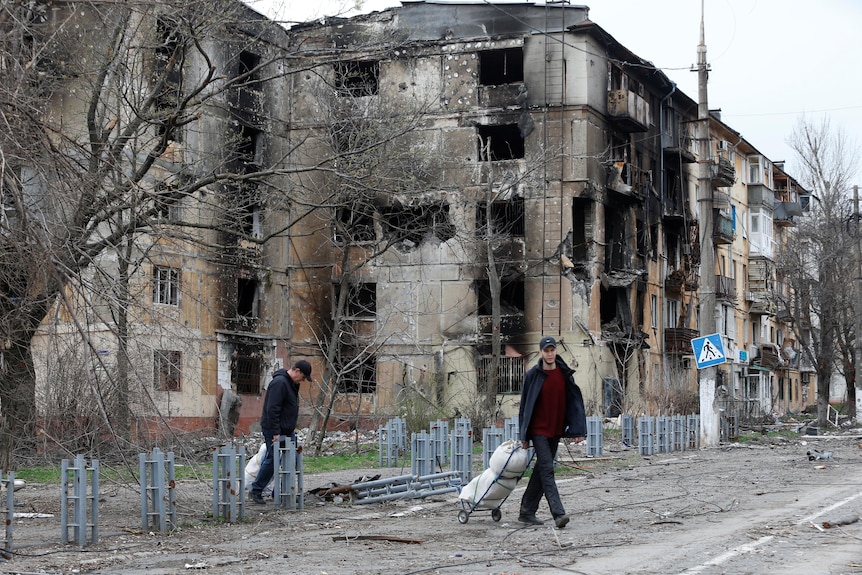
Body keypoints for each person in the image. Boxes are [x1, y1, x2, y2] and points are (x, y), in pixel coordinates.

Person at [518, 336, 586, 528]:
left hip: (556, 429)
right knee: (547, 470)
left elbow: (575, 403)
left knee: (541, 469)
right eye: (546, 350)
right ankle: (558, 514)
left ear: (556, 351)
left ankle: (526, 511)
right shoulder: (533, 375)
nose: (549, 354)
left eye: (552, 350)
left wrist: (578, 429)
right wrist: (523, 436)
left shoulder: (564, 374)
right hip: (538, 430)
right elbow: (524, 407)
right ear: (541, 352)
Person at [250, 360, 312, 504]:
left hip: (287, 430)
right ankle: (256, 490)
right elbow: (272, 409)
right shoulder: (280, 383)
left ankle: (282, 492)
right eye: (302, 377)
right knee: (273, 460)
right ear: (297, 371)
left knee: (293, 460)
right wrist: (275, 432)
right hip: (275, 430)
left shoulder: (290, 384)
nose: (302, 381)